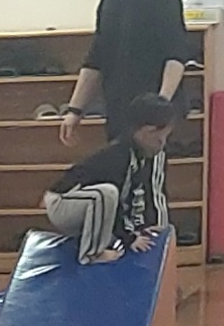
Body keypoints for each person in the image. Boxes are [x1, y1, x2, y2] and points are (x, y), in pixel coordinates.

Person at [59, 0, 193, 145]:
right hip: (118, 112)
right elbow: (96, 60)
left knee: (148, 167)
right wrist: (75, 110)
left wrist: (160, 107)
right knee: (120, 167)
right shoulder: (108, 2)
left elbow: (175, 56)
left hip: (153, 115)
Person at [46, 92, 174, 264]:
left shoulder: (137, 158)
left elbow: (132, 199)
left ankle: (99, 243)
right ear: (146, 132)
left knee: (109, 195)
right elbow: (116, 202)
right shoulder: (119, 156)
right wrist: (129, 238)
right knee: (107, 193)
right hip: (63, 203)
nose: (162, 144)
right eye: (160, 138)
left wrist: (140, 228)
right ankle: (91, 254)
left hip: (85, 205)